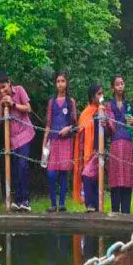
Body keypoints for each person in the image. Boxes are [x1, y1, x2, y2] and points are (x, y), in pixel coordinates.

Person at [0, 72, 36, 212]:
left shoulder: (19, 90)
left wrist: (13, 104)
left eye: (4, 87)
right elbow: (0, 118)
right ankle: (18, 200)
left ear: (9, 82)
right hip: (12, 140)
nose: (2, 91)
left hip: (25, 134)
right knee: (14, 169)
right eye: (0, 89)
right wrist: (2, 105)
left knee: (23, 166)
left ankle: (26, 201)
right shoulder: (0, 97)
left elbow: (28, 108)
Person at [42, 71, 77, 212]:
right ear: (55, 84)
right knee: (51, 173)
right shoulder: (52, 102)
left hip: (66, 141)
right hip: (53, 140)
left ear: (66, 83)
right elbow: (48, 124)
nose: (60, 84)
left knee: (63, 173)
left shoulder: (71, 102)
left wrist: (67, 128)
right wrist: (44, 144)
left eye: (63, 81)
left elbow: (75, 123)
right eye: (58, 81)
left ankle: (62, 204)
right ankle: (52, 203)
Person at [106, 75, 133, 214]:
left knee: (127, 178)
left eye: (122, 83)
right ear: (113, 87)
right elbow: (108, 127)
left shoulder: (128, 105)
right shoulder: (108, 105)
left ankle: (127, 212)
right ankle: (115, 211)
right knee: (116, 178)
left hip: (128, 143)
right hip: (115, 144)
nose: (120, 86)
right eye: (117, 84)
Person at [77, 83, 106, 212]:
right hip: (87, 151)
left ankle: (92, 206)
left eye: (102, 93)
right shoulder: (85, 113)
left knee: (88, 176)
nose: (101, 96)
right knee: (90, 178)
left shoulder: (104, 110)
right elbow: (81, 135)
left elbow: (109, 130)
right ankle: (92, 207)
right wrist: (82, 153)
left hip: (99, 150)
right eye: (98, 94)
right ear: (92, 96)